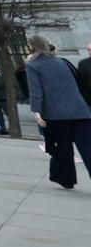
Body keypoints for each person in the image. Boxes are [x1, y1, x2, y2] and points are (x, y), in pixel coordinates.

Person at [26, 35, 91, 189]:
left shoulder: (33, 65)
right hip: (81, 111)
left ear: (32, 46)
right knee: (88, 147)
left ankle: (66, 179)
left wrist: (37, 111)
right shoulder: (63, 62)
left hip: (56, 114)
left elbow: (36, 91)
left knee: (63, 148)